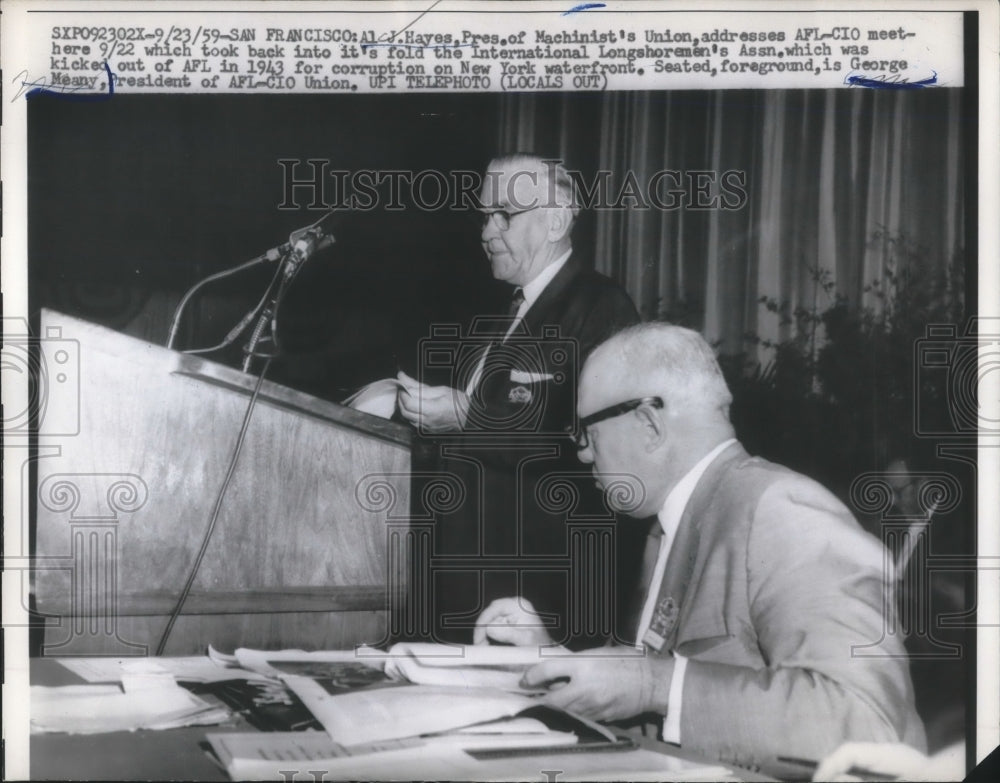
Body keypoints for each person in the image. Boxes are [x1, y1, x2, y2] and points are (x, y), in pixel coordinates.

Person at [475, 322, 927, 777]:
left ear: (649, 424)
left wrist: (654, 683)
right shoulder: (672, 526)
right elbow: (644, 693)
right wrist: (555, 663)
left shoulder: (780, 509)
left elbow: (870, 729)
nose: (584, 454)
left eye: (587, 432)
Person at [397, 153, 639, 647]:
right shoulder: (496, 313)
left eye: (503, 215)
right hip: (463, 578)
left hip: (533, 589)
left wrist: (466, 416)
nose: (486, 233)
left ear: (555, 220)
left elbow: (587, 444)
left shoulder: (600, 306)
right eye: (484, 216)